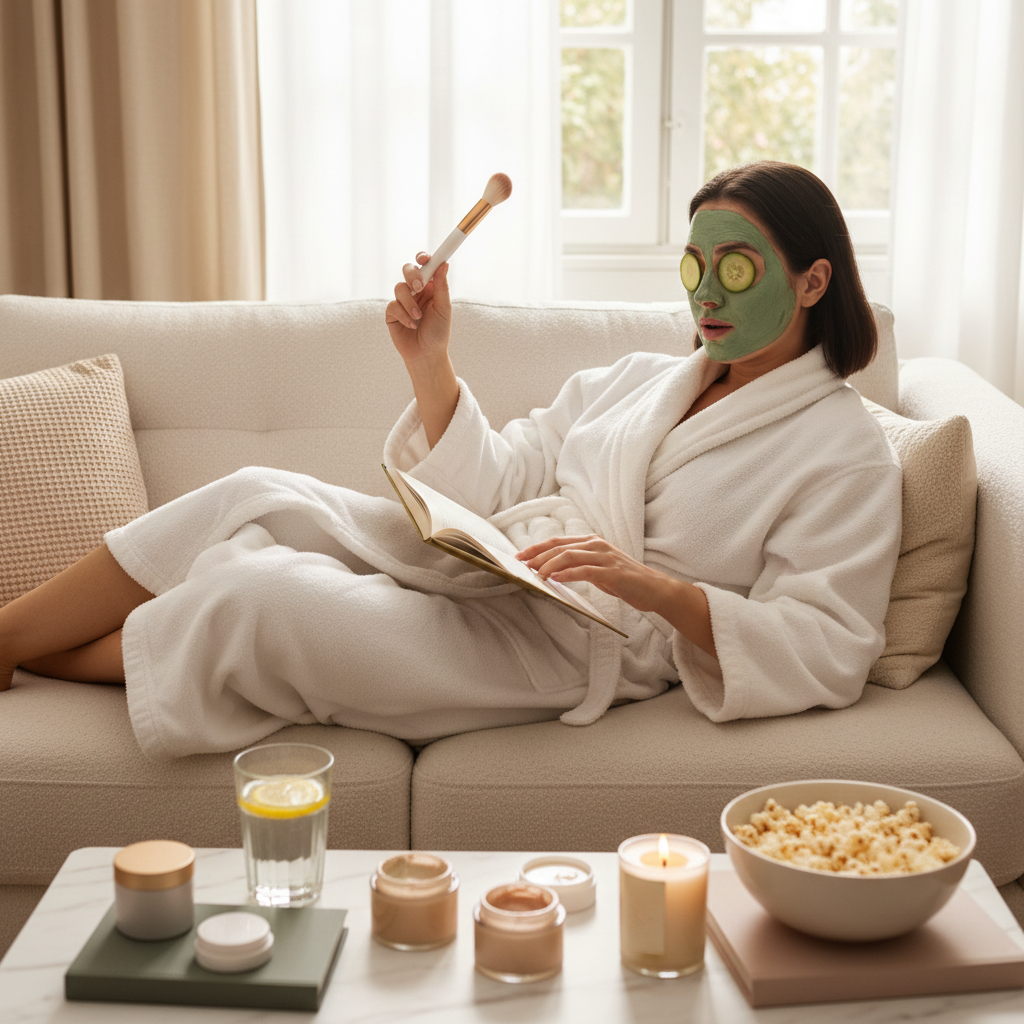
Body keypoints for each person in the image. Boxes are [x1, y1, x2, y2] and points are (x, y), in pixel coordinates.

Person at [0, 161, 901, 760]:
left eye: (736, 269)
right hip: (502, 560)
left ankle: (38, 662)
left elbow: (829, 645)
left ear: (812, 280)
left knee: (262, 596)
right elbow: (509, 480)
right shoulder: (642, 379)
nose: (706, 294)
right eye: (695, 268)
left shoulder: (845, 453)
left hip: (574, 642)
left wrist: (651, 589)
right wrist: (430, 362)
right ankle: (7, 636)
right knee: (253, 493)